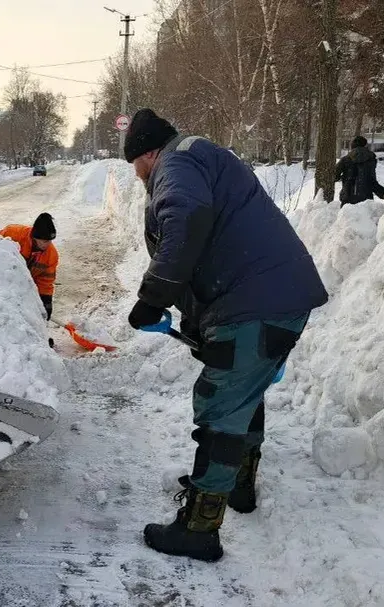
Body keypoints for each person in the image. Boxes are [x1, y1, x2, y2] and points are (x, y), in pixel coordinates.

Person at [123, 108, 329, 562]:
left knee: (219, 407)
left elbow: (187, 219)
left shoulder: (175, 164)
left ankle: (199, 528)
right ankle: (237, 485)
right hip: (277, 298)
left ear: (149, 152)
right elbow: (211, 250)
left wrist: (154, 296)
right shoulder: (202, 158)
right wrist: (199, 326)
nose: (137, 175)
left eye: (135, 164)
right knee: (243, 395)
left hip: (257, 302)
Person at [0, 213, 59, 321]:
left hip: (24, 288)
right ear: (35, 237)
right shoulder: (12, 234)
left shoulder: (51, 255)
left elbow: (45, 281)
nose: (48, 244)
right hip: (0, 281)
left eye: (50, 241)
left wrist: (46, 302)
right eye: (45, 241)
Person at [334, 135, 382, 206]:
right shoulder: (371, 160)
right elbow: (372, 180)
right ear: (365, 145)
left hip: (348, 197)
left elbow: (334, 176)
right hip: (367, 199)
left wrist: (343, 177)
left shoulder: (345, 159)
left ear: (352, 146)